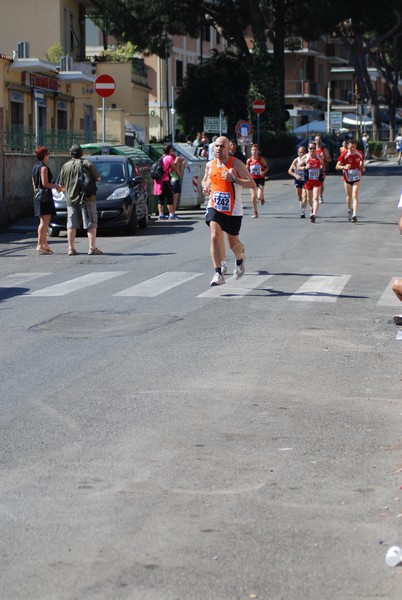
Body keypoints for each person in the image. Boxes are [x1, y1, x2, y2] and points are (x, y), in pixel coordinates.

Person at [201, 136, 256, 286]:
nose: (219, 149)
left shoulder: (236, 164)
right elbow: (205, 180)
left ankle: (240, 260)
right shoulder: (209, 165)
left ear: (229, 148)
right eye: (217, 146)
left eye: (222, 146)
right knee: (214, 237)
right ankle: (218, 273)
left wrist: (234, 179)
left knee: (233, 245)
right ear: (213, 148)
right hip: (215, 206)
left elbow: (251, 184)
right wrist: (205, 187)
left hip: (233, 210)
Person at [59, 144, 102, 256]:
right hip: (87, 198)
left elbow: (62, 184)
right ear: (81, 153)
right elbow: (98, 178)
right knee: (91, 223)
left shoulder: (65, 166)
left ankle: (71, 248)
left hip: (71, 199)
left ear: (70, 154)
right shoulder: (87, 164)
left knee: (71, 224)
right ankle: (92, 248)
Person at [31, 146, 62, 255]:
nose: (48, 156)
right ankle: (40, 245)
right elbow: (45, 183)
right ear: (45, 156)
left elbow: (34, 184)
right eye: (47, 154)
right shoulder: (43, 168)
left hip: (38, 197)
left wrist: (37, 193)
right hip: (45, 197)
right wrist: (56, 186)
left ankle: (44, 244)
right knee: (44, 222)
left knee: (43, 221)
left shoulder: (35, 167)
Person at [335, 139, 365, 223]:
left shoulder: (359, 153)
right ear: (348, 146)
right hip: (347, 177)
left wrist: (362, 166)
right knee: (349, 196)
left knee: (355, 195)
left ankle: (354, 215)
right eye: (351, 147)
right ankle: (349, 210)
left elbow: (362, 160)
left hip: (356, 177)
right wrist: (344, 167)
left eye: (354, 147)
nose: (353, 149)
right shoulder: (344, 155)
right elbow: (337, 166)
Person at [153, 143, 181, 220]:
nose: (172, 151)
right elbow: (174, 168)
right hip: (165, 180)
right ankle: (171, 214)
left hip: (159, 181)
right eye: (172, 150)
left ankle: (161, 214)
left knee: (161, 198)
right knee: (169, 197)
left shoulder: (162, 157)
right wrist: (179, 173)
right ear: (169, 150)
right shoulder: (169, 158)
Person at [299, 141, 324, 223]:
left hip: (317, 180)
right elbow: (298, 167)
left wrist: (323, 172)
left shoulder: (319, 157)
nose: (312, 150)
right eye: (310, 148)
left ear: (316, 148)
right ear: (308, 149)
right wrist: (305, 167)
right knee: (309, 198)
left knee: (316, 197)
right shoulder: (305, 157)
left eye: (313, 148)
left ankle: (314, 214)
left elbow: (323, 166)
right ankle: (311, 208)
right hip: (308, 180)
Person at [246, 143, 269, 219]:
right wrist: (247, 176)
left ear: (258, 151)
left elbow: (267, 167)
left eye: (255, 150)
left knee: (258, 197)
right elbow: (246, 169)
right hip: (252, 179)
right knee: (253, 196)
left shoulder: (261, 159)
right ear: (251, 151)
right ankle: (255, 212)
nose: (254, 151)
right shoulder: (249, 160)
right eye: (253, 150)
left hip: (260, 179)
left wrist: (263, 172)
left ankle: (262, 198)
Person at [288, 146, 310, 218]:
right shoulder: (296, 160)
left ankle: (302, 211)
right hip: (298, 180)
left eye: (303, 152)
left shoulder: (307, 160)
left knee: (305, 195)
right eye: (300, 152)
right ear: (298, 153)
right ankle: (302, 208)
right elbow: (289, 171)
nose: (302, 153)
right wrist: (295, 175)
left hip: (305, 180)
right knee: (299, 197)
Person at [314, 134, 332, 203]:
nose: (317, 141)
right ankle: (315, 196)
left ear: (321, 140)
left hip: (322, 169)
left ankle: (320, 196)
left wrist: (324, 157)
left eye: (319, 140)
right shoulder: (312, 149)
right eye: (316, 140)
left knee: (321, 183)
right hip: (313, 169)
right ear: (314, 141)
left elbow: (329, 160)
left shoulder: (324, 149)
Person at [170, 153, 185, 219]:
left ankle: (172, 213)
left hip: (172, 181)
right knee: (174, 199)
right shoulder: (174, 166)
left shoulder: (171, 166)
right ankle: (173, 213)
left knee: (172, 199)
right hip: (175, 181)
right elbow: (180, 175)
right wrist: (182, 166)